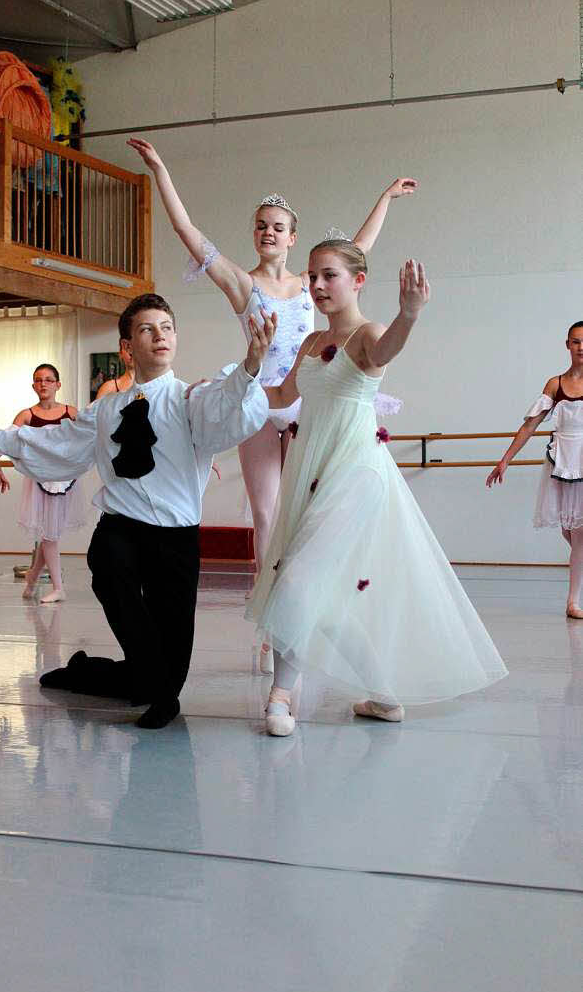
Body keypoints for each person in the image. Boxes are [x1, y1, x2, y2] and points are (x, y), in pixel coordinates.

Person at [129, 139, 415, 671]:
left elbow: (357, 250)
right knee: (266, 512)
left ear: (292, 237)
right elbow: (189, 235)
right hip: (264, 400)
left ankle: (309, 604)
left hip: (309, 396)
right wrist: (161, 171)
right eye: (261, 224)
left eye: (277, 226)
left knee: (307, 510)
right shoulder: (243, 284)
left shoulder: (314, 284)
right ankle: (271, 618)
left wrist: (385, 198)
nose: (267, 232)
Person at [0, 293, 274, 729]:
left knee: (170, 643)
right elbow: (51, 442)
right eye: (147, 330)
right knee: (111, 571)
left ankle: (104, 675)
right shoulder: (105, 411)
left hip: (175, 537)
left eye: (167, 328)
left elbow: (225, 405)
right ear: (126, 347)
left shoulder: (192, 400)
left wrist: (249, 365)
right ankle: (160, 694)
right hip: (120, 527)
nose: (160, 337)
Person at [246, 241, 508, 736]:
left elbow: (387, 351)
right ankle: (385, 696)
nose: (318, 286)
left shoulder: (370, 335)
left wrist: (409, 315)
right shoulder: (308, 343)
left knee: (297, 580)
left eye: (330, 276)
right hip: (311, 469)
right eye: (313, 277)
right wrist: (239, 376)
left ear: (357, 280)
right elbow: (281, 396)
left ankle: (280, 697)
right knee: (318, 597)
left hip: (355, 469)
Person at [487, 320, 583, 618]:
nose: (582, 347)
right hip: (562, 461)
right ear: (567, 345)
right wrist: (505, 459)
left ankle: (573, 601)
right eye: (577, 341)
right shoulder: (555, 384)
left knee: (580, 534)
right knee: (569, 533)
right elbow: (531, 424)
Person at [0, 363, 86, 604]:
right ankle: (57, 587)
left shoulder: (71, 413)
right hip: (38, 480)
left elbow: (88, 438)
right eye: (38, 380)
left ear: (58, 384)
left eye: (48, 379)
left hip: (64, 480)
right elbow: (3, 441)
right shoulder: (27, 415)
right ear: (33, 385)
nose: (43, 384)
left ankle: (34, 576)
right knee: (49, 534)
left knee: (50, 533)